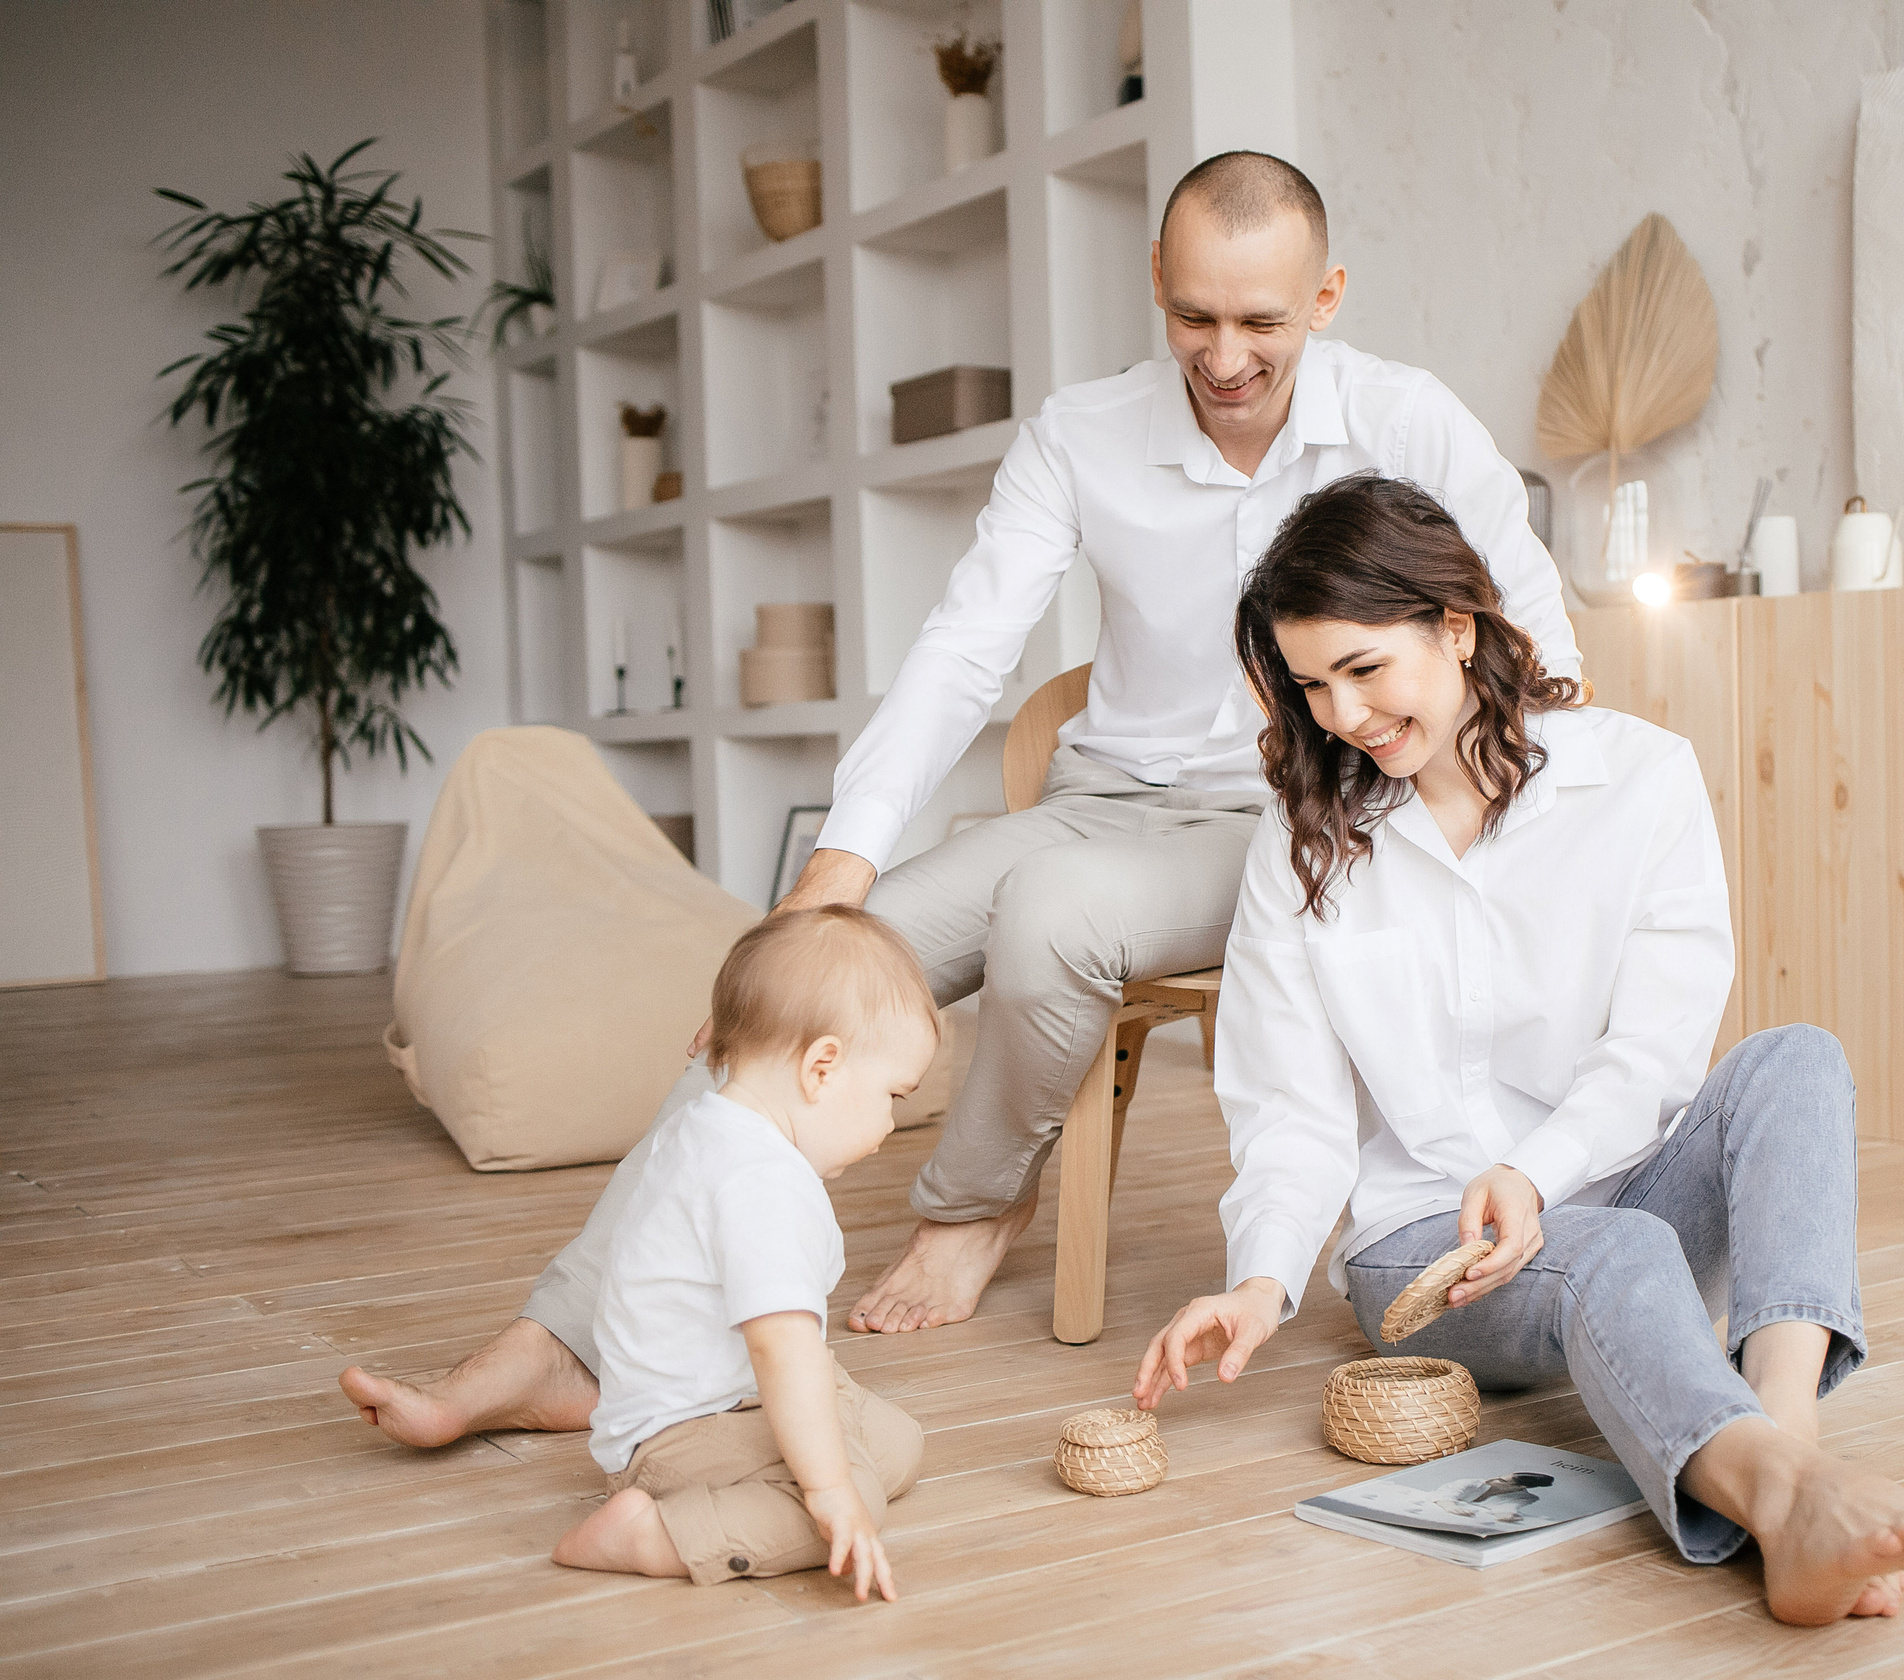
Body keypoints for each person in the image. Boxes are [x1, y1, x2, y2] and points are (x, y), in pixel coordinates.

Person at [340, 149, 1578, 1447]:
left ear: (1324, 298)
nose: (1223, 355)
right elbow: (962, 649)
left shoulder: (1410, 417)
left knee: (1050, 910)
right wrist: (844, 859)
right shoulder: (1082, 432)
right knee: (783, 979)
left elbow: (1537, 630)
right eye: (1194, 315)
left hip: (1272, 824)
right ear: (1156, 280)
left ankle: (972, 1205)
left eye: (1261, 321)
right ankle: (555, 1342)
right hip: (1097, 799)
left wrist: (1485, 831)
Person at [1130, 475, 1904, 1627]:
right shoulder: (1305, 844)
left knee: (1795, 1058)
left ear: (1454, 626)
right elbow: (1289, 1110)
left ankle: (1788, 1447)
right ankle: (1783, 1501)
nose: (1342, 717)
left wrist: (1540, 1172)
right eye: (1311, 687)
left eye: (1363, 670)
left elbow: (1656, 1051)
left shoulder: (1638, 776)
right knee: (1610, 1253)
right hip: (1427, 1253)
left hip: (1612, 1186)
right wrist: (1257, 1281)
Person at [550, 906, 937, 1596]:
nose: (889, 1123)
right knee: (857, 1501)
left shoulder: (710, 1124)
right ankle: (648, 1534)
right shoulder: (763, 1185)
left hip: (730, 1397)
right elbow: (781, 1348)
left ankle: (815, 1456)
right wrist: (829, 1491)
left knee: (899, 1444)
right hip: (685, 1432)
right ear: (822, 1067)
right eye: (891, 1096)